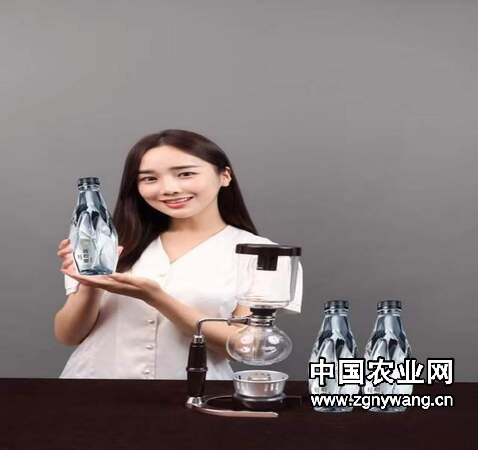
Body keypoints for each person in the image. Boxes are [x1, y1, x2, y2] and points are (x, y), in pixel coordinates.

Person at [54, 129, 303, 379]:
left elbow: (247, 346)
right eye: (149, 178)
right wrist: (89, 284)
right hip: (92, 388)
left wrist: (156, 298)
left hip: (196, 392)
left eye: (185, 174)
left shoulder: (265, 256)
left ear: (225, 175)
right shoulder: (105, 242)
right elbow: (68, 336)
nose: (169, 188)